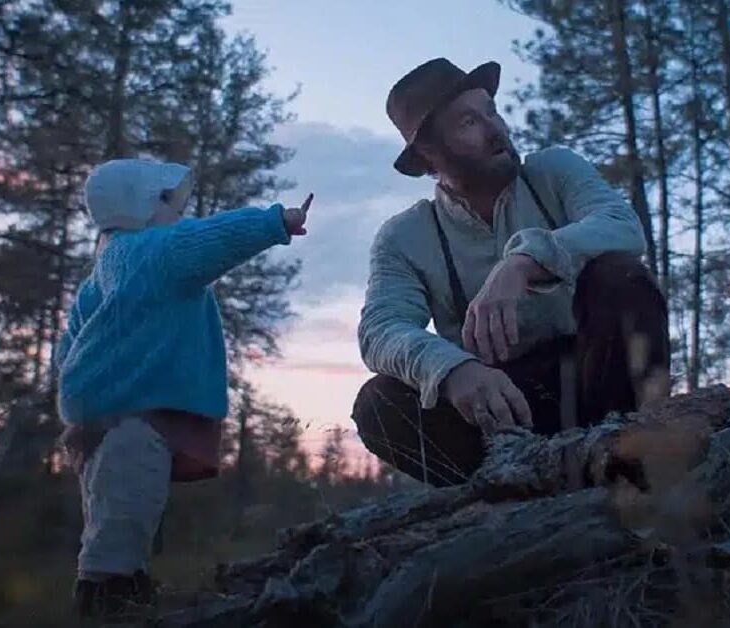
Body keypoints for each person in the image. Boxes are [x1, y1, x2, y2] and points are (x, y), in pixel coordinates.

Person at [351, 58, 670, 487]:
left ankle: (629, 466)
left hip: (599, 378)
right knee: (379, 403)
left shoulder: (553, 170)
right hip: (497, 407)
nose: (496, 129)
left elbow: (621, 226)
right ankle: (511, 490)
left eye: (491, 112)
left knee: (620, 275)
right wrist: (450, 369)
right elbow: (380, 329)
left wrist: (523, 262)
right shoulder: (405, 236)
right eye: (469, 122)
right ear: (428, 153)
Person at [53, 158, 313, 620]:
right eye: (170, 204)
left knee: (109, 507)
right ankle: (110, 595)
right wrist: (275, 222)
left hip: (95, 415)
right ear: (142, 207)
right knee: (129, 504)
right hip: (134, 414)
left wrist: (76, 392)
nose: (180, 215)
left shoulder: (106, 268)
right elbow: (212, 239)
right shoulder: (154, 252)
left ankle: (114, 585)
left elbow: (72, 342)